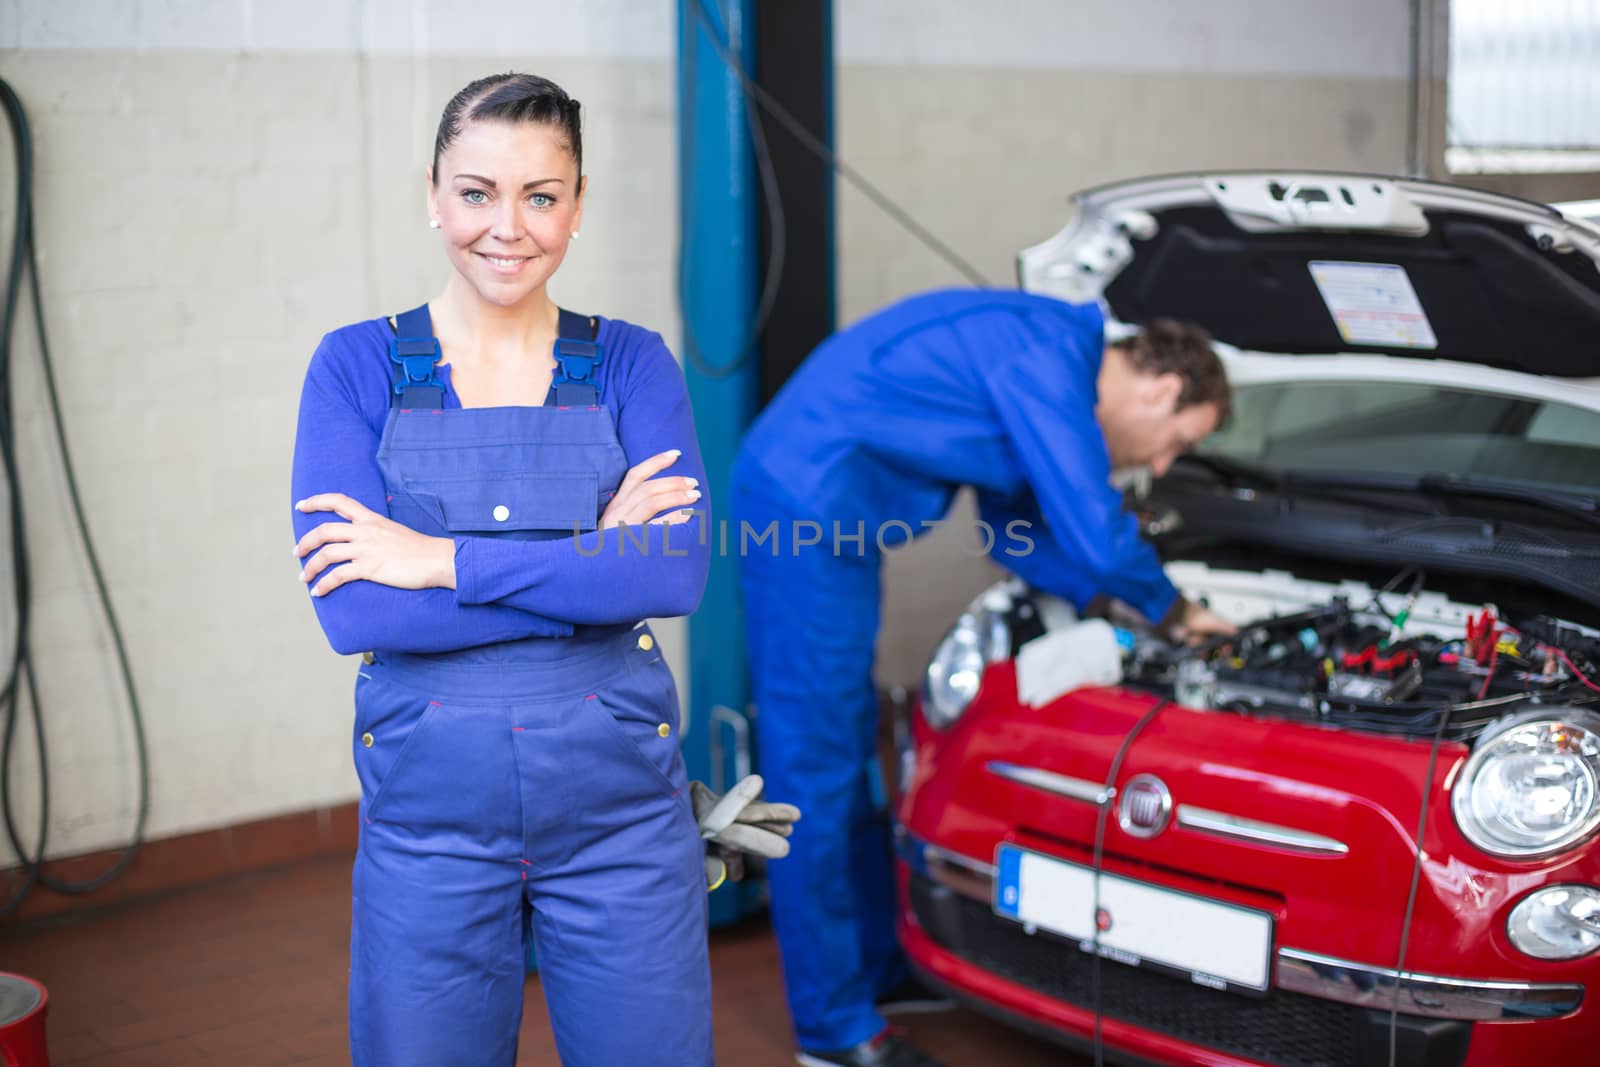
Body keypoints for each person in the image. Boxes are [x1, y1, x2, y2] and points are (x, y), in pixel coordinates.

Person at [289, 73, 719, 1067]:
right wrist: (587, 556)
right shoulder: (352, 367)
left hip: (620, 812)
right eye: (477, 191)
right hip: (429, 817)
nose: (507, 227)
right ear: (433, 195)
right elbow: (357, 611)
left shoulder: (632, 364)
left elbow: (674, 572)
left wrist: (435, 559)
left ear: (576, 205)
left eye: (541, 194)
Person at [730, 289, 1237, 1067]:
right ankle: (834, 1033)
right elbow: (1095, 529)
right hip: (804, 508)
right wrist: (1174, 612)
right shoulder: (1049, 358)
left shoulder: (1044, 363)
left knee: (851, 752)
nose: (1161, 464)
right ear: (1163, 389)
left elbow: (1015, 528)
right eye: (1176, 441)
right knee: (816, 767)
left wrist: (1108, 607)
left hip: (830, 514)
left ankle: (871, 965)